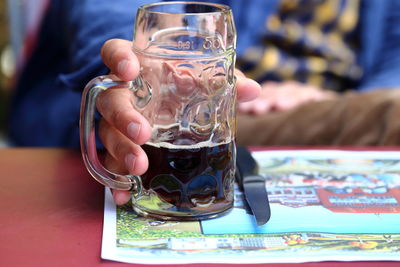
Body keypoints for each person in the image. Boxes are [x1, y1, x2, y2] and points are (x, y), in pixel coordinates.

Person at [6, 0, 400, 204]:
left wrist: (341, 103)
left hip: (338, 104)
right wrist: (142, 69)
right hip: (221, 103)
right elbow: (115, 9)